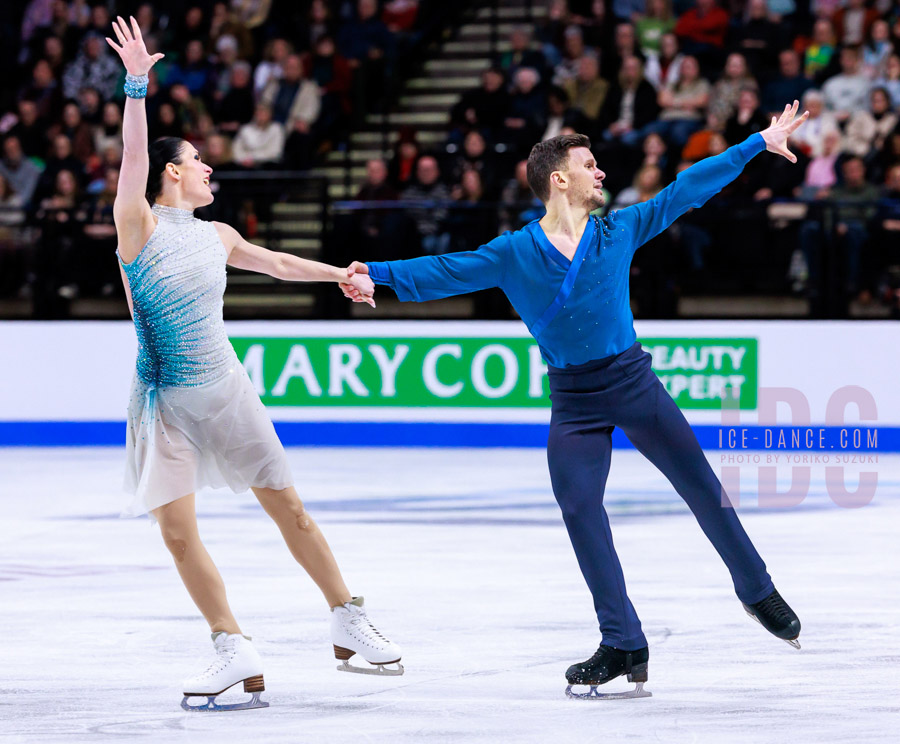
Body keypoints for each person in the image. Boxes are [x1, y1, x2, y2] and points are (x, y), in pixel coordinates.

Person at [342, 102, 809, 698]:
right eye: (590, 165)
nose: (602, 174)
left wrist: (754, 144)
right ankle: (623, 642)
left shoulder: (618, 230)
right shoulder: (515, 252)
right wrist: (374, 273)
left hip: (635, 385)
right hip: (574, 403)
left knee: (698, 484)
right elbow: (448, 269)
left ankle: (756, 587)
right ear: (558, 178)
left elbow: (684, 190)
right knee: (580, 509)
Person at [103, 16, 402, 712]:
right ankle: (232, 646)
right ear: (173, 172)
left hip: (227, 392)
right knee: (178, 535)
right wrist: (137, 86)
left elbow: (276, 263)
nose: (211, 169)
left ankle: (347, 618)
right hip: (164, 403)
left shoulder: (219, 233)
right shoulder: (137, 225)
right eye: (199, 161)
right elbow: (132, 161)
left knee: (289, 508)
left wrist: (341, 274)